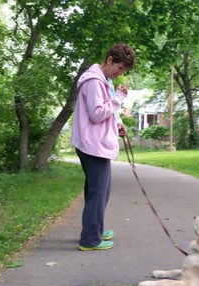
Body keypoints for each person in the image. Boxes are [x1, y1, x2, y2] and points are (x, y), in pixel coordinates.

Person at [71, 43, 136, 251]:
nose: (119, 73)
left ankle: (93, 230)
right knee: (99, 191)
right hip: (92, 144)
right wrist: (118, 98)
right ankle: (90, 239)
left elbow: (104, 114)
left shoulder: (102, 81)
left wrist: (117, 125)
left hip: (93, 142)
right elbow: (97, 113)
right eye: (119, 68)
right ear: (109, 60)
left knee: (98, 191)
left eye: (123, 71)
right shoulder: (94, 82)